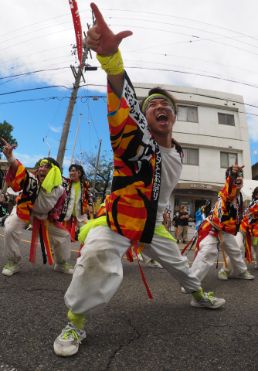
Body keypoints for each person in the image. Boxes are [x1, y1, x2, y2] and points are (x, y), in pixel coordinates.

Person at [53, 3, 225, 357]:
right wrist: (112, 61)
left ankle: (196, 295)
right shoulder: (133, 143)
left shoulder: (176, 153)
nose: (161, 107)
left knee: (181, 266)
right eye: (152, 104)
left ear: (174, 117)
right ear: (143, 117)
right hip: (118, 218)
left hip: (153, 225)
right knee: (97, 254)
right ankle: (75, 322)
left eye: (167, 105)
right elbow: (124, 109)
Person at [1, 138, 73, 276]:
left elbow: (59, 207)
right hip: (24, 211)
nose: (41, 168)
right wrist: (10, 157)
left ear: (55, 171)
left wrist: (54, 217)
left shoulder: (61, 189)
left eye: (46, 166)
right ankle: (13, 262)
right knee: (10, 227)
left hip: (45, 216)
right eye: (40, 165)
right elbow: (19, 169)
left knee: (63, 236)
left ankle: (61, 263)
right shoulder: (32, 179)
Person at [190, 165, 254, 283]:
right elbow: (230, 189)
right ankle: (191, 283)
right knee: (208, 252)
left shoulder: (240, 196)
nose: (239, 179)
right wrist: (232, 175)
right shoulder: (227, 193)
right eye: (236, 177)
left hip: (226, 230)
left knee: (235, 250)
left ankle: (241, 271)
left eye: (241, 176)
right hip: (213, 227)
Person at [61, 164, 93, 241]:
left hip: (81, 213)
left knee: (87, 231)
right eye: (70, 171)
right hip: (66, 213)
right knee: (63, 234)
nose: (71, 173)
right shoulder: (66, 182)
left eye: (73, 171)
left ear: (79, 173)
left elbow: (90, 195)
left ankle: (84, 252)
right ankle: (59, 251)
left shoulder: (85, 184)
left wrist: (90, 205)